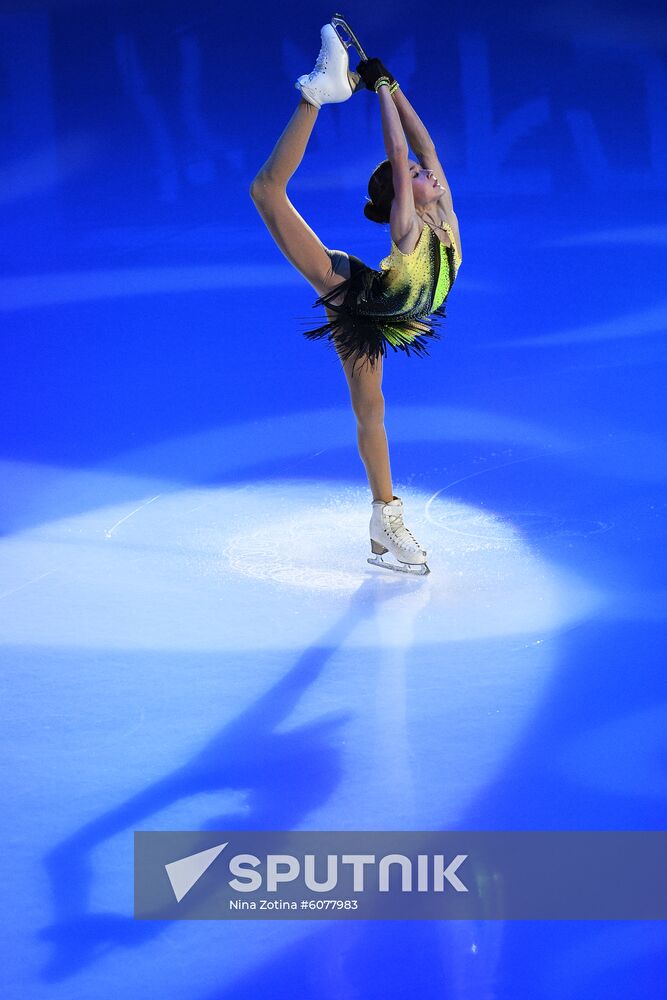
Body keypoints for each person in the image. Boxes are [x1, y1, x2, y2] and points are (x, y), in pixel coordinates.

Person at [250, 19, 462, 575]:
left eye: (423, 173)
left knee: (372, 412)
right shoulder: (409, 229)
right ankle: (314, 96)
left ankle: (381, 522)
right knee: (267, 192)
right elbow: (399, 149)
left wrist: (393, 86)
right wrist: (381, 91)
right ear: (403, 196)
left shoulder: (442, 214)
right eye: (415, 176)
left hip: (380, 310)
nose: (428, 172)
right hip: (351, 296)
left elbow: (422, 145)